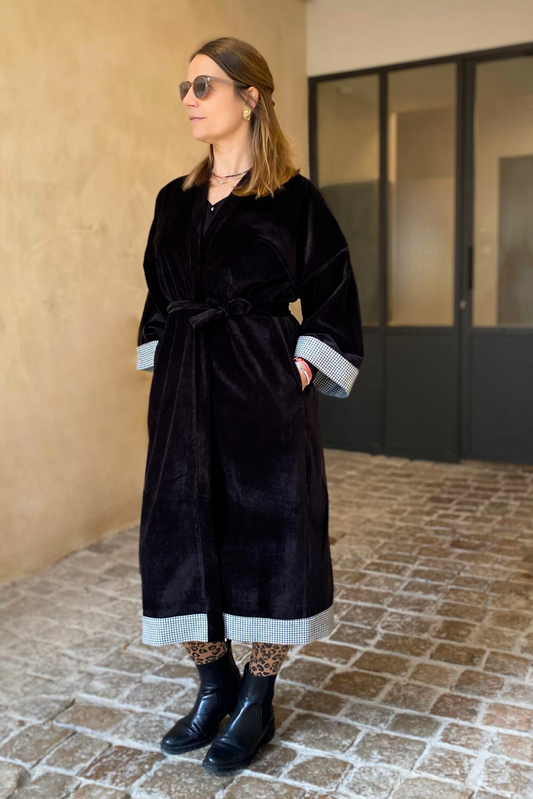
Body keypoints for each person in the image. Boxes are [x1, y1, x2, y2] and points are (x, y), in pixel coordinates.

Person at [135, 36, 364, 774]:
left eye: (204, 85)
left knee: (269, 533)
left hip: (260, 389)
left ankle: (258, 697)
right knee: (177, 530)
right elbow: (157, 292)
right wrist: (165, 360)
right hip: (184, 388)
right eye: (185, 87)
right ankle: (215, 685)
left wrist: (299, 364)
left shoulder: (293, 199)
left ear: (250, 95)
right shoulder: (173, 199)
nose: (190, 100)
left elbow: (332, 292)